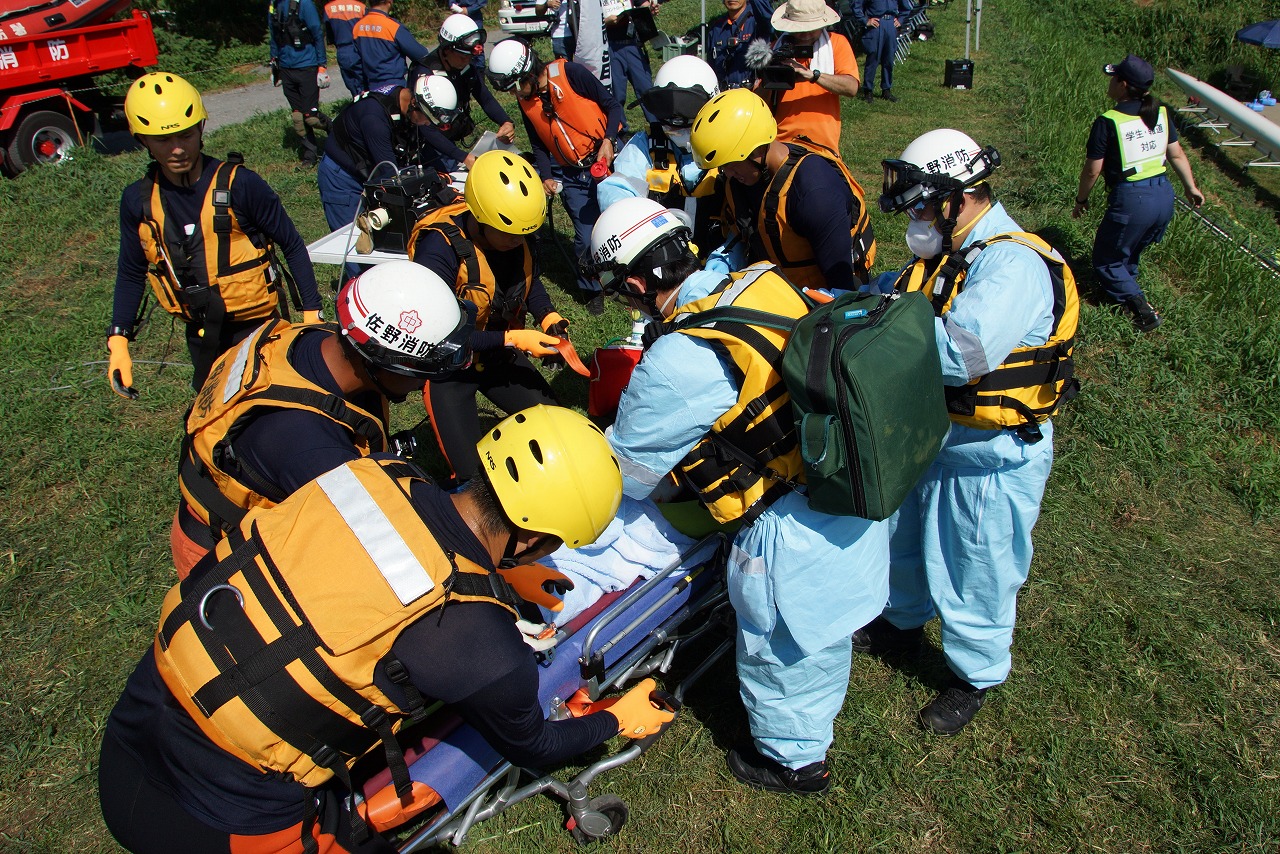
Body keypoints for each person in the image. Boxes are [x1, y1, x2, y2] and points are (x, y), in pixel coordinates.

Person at [98, 405, 676, 854]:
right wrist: (614, 719)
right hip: (220, 818)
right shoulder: (481, 642)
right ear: (539, 540)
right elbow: (534, 744)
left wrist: (504, 571)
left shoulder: (377, 474)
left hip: (141, 716)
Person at [592, 196, 889, 795]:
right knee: (825, 630)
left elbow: (630, 478)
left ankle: (795, 762)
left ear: (634, 283)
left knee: (781, 651)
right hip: (846, 490)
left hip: (786, 535)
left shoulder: (678, 357)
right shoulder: (760, 279)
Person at [861, 128, 1079, 735]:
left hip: (989, 454)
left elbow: (962, 354)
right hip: (928, 434)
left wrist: (867, 339)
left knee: (975, 564)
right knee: (900, 538)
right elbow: (887, 298)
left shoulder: (1012, 265)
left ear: (959, 198)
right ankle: (900, 621)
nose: (916, 219)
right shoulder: (945, 256)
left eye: (924, 205)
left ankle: (972, 674)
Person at [171, 261, 475, 578]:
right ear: (384, 362)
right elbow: (386, 549)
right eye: (422, 371)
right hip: (219, 559)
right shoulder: (309, 446)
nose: (422, 383)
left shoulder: (318, 338)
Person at [108, 73, 322, 397]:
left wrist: (311, 314)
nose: (178, 149)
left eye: (186, 135)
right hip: (202, 334)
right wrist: (119, 340)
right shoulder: (137, 202)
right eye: (164, 140)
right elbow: (130, 271)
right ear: (143, 141)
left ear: (200, 129)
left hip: (259, 328)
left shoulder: (241, 185)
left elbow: (291, 243)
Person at [408, 151, 568, 485]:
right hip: (448, 369)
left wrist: (548, 315)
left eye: (524, 234)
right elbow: (439, 336)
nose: (518, 241)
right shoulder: (438, 252)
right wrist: (512, 339)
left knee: (558, 426)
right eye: (510, 235)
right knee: (472, 477)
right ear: (480, 219)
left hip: (496, 356)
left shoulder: (514, 238)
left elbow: (527, 279)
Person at [487, 37, 624, 315]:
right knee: (585, 238)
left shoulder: (571, 74)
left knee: (619, 222)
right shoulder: (527, 103)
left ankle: (626, 278)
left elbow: (613, 106)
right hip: (572, 175)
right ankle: (591, 289)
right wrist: (546, 175)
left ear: (526, 73)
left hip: (605, 162)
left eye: (515, 87)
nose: (515, 95)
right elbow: (538, 142)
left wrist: (609, 141)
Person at [690, 88, 876, 292]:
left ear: (758, 149)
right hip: (778, 291)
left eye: (731, 164)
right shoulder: (741, 178)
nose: (728, 173)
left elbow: (843, 288)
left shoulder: (814, 193)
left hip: (824, 299)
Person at [1073, 53, 1204, 332]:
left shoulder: (1108, 121)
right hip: (1163, 196)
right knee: (1130, 252)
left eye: (1113, 78)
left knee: (1106, 260)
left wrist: (1081, 200)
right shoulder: (1161, 113)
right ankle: (1120, 293)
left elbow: (1092, 171)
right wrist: (1191, 187)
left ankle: (1141, 309)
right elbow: (1177, 155)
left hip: (1133, 200)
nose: (1109, 83)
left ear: (1122, 84)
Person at [317, 78, 462, 281]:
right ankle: (360, 293)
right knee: (359, 248)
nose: (427, 125)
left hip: (371, 166)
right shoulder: (374, 119)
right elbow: (390, 179)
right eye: (426, 120)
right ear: (414, 105)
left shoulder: (408, 102)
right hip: (343, 178)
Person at [597, 54, 721, 251]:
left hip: (721, 257)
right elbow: (616, 192)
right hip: (664, 258)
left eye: (686, 125)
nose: (678, 131)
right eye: (670, 124)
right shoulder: (644, 146)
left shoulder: (728, 145)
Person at [408, 14, 518, 165]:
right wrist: (462, 157)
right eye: (462, 57)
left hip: (452, 139)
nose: (466, 61)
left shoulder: (466, 68)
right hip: (430, 145)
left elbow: (485, 97)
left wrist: (505, 121)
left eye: (470, 57)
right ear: (446, 50)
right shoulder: (424, 74)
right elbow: (424, 128)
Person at [761, 0, 859, 152]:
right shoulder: (775, 48)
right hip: (780, 144)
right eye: (800, 29)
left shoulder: (837, 43)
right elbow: (760, 102)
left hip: (823, 146)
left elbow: (851, 87)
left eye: (812, 29)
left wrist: (813, 76)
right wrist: (773, 73)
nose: (806, 34)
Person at [270, 0, 332, 166]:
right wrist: (274, 65)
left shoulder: (305, 5)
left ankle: (335, 133)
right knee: (298, 117)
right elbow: (274, 36)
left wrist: (322, 66)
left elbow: (317, 35)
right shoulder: (274, 6)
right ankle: (310, 156)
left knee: (310, 117)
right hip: (286, 68)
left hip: (307, 66)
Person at [602, 0, 657, 134]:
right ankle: (620, 133)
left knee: (646, 89)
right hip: (611, 46)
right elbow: (588, 22)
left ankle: (657, 128)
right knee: (617, 94)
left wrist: (649, 9)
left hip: (632, 44)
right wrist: (605, 22)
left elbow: (642, 4)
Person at [353, 0, 432, 89]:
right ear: (389, 1)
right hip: (395, 86)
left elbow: (356, 63)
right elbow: (421, 54)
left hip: (371, 86)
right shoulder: (393, 27)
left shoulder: (358, 27)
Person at [852, 0, 913, 103]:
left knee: (889, 59)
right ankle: (868, 90)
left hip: (890, 24)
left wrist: (901, 19)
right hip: (876, 25)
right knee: (873, 58)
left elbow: (906, 6)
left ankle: (886, 90)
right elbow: (856, 5)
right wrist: (865, 20)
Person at [705, 0, 773, 90]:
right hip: (724, 96)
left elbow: (769, 18)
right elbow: (711, 68)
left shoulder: (759, 23)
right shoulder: (716, 29)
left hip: (751, 95)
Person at [323, 0, 367, 97]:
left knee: (350, 81)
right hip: (360, 48)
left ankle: (357, 101)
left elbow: (330, 34)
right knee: (365, 82)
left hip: (342, 49)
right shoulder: (361, 7)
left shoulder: (328, 8)